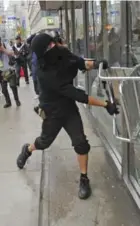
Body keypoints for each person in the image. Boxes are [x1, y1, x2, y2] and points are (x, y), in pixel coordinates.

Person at [16, 33, 119, 200]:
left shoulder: (61, 52)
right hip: (53, 112)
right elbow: (80, 96)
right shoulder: (46, 74)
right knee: (44, 142)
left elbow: (78, 62)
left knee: (81, 143)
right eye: (49, 46)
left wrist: (96, 64)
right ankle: (27, 150)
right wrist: (106, 104)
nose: (53, 46)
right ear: (43, 53)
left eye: (52, 43)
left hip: (68, 108)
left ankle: (84, 179)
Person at [0, 39, 21, 108]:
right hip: (2, 72)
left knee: (13, 86)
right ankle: (8, 102)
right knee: (3, 89)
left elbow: (12, 53)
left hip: (10, 69)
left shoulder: (5, 44)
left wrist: (3, 49)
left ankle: (17, 100)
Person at [27, 34, 39, 98]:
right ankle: (37, 92)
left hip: (37, 67)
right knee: (35, 79)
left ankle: (38, 92)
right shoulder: (32, 48)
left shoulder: (36, 47)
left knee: (37, 79)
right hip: (34, 66)